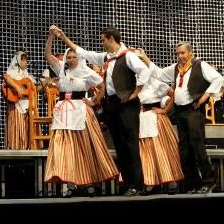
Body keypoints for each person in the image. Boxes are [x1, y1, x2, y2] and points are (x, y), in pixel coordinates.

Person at [51, 25, 150, 196]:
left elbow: (144, 71)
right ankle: (128, 184)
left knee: (130, 144)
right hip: (112, 104)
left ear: (111, 39)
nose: (102, 43)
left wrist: (135, 93)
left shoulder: (127, 56)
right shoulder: (106, 57)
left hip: (126, 103)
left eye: (103, 40)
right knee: (120, 145)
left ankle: (138, 184)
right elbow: (83, 52)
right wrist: (63, 37)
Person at [137, 42, 224, 194]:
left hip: (193, 110)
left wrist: (206, 96)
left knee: (198, 147)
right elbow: (159, 73)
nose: (180, 56)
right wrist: (145, 58)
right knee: (184, 150)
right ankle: (193, 184)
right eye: (177, 53)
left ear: (190, 53)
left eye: (182, 53)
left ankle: (209, 182)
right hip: (180, 111)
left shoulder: (200, 65)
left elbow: (218, 79)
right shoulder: (176, 68)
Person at [43, 30, 119, 197]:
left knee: (83, 147)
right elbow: (47, 54)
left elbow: (103, 85)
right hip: (63, 113)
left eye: (73, 57)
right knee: (66, 148)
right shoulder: (61, 70)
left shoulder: (86, 71)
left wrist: (94, 101)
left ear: (79, 58)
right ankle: (70, 183)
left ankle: (88, 183)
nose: (70, 60)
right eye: (68, 57)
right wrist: (51, 37)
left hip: (80, 111)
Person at [130, 50, 184, 194]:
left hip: (155, 118)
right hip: (139, 118)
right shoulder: (133, 83)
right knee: (144, 152)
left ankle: (171, 181)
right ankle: (148, 182)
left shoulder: (156, 82)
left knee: (161, 150)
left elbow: (174, 95)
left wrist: (165, 110)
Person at [3, 50, 40, 150]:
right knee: (19, 126)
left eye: (26, 60)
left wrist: (44, 85)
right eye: (23, 60)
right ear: (18, 61)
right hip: (17, 103)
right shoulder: (12, 72)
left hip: (28, 103)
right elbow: (6, 77)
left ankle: (29, 146)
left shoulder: (27, 75)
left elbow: (35, 88)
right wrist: (17, 87)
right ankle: (17, 147)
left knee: (28, 126)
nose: (26, 62)